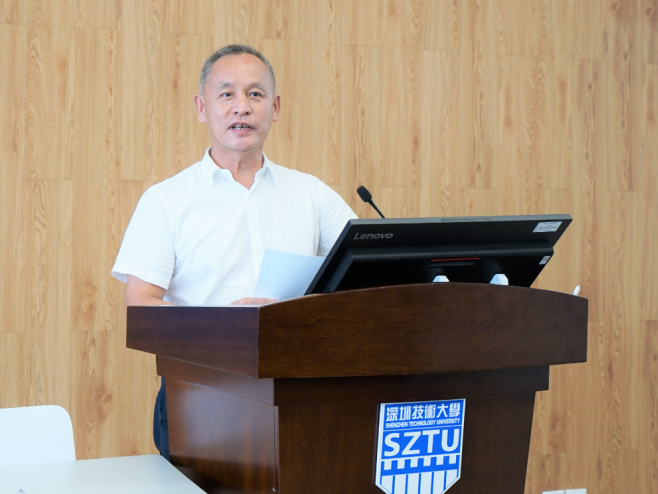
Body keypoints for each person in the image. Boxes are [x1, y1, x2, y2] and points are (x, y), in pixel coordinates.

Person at [111, 45, 357, 459]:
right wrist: (229, 325)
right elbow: (142, 305)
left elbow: (363, 276)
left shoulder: (312, 194)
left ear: (274, 108)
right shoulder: (166, 200)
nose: (242, 106)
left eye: (255, 94)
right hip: (199, 395)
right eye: (226, 94)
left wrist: (296, 313)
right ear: (201, 108)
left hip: (299, 390)